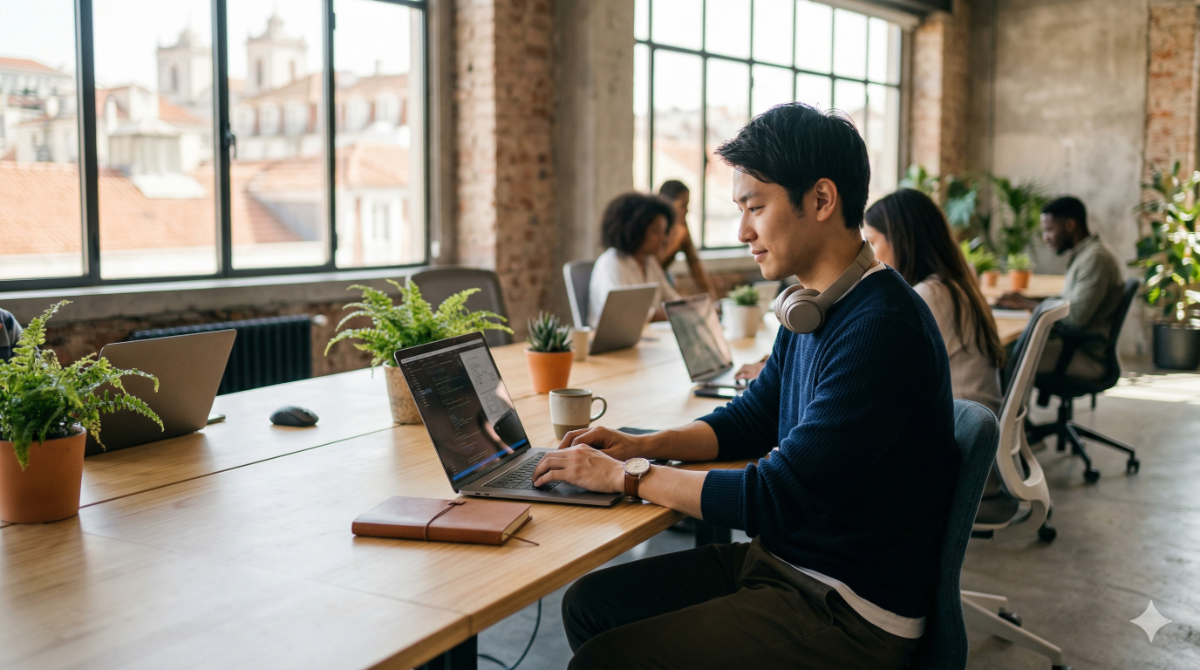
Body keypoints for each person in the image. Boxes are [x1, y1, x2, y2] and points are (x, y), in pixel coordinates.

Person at [534, 103, 959, 669]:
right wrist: (642, 445)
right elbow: (752, 418)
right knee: (592, 603)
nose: (743, 232)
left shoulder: (881, 326)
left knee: (606, 661)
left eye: (755, 207)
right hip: (785, 564)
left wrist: (626, 475)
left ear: (822, 200)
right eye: (740, 210)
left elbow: (776, 496)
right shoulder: (813, 305)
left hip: (848, 605)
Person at [862, 189, 1005, 413]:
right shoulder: (950, 285)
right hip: (972, 416)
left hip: (960, 424)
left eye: (871, 242)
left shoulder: (931, 295)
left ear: (901, 241)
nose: (867, 256)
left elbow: (880, 372)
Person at [995, 196, 1124, 379]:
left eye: (1049, 230)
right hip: (1072, 346)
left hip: (1083, 355)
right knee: (1008, 346)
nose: (1045, 238)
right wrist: (1027, 300)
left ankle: (1004, 400)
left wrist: (1026, 304)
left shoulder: (1095, 259)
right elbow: (1068, 303)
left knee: (999, 352)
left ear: (1070, 225)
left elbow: (1074, 318)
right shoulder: (1085, 254)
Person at [588, 192, 681, 327]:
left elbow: (672, 299)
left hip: (649, 336)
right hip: (617, 338)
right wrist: (676, 313)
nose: (664, 239)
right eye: (656, 232)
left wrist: (690, 309)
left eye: (664, 232)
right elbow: (625, 313)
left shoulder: (649, 262)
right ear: (635, 230)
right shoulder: (612, 264)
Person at [657, 180, 717, 300]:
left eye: (687, 205)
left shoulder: (681, 226)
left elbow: (694, 264)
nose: (687, 210)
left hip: (666, 281)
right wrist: (676, 240)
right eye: (683, 205)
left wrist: (711, 298)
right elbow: (652, 264)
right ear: (668, 204)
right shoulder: (655, 227)